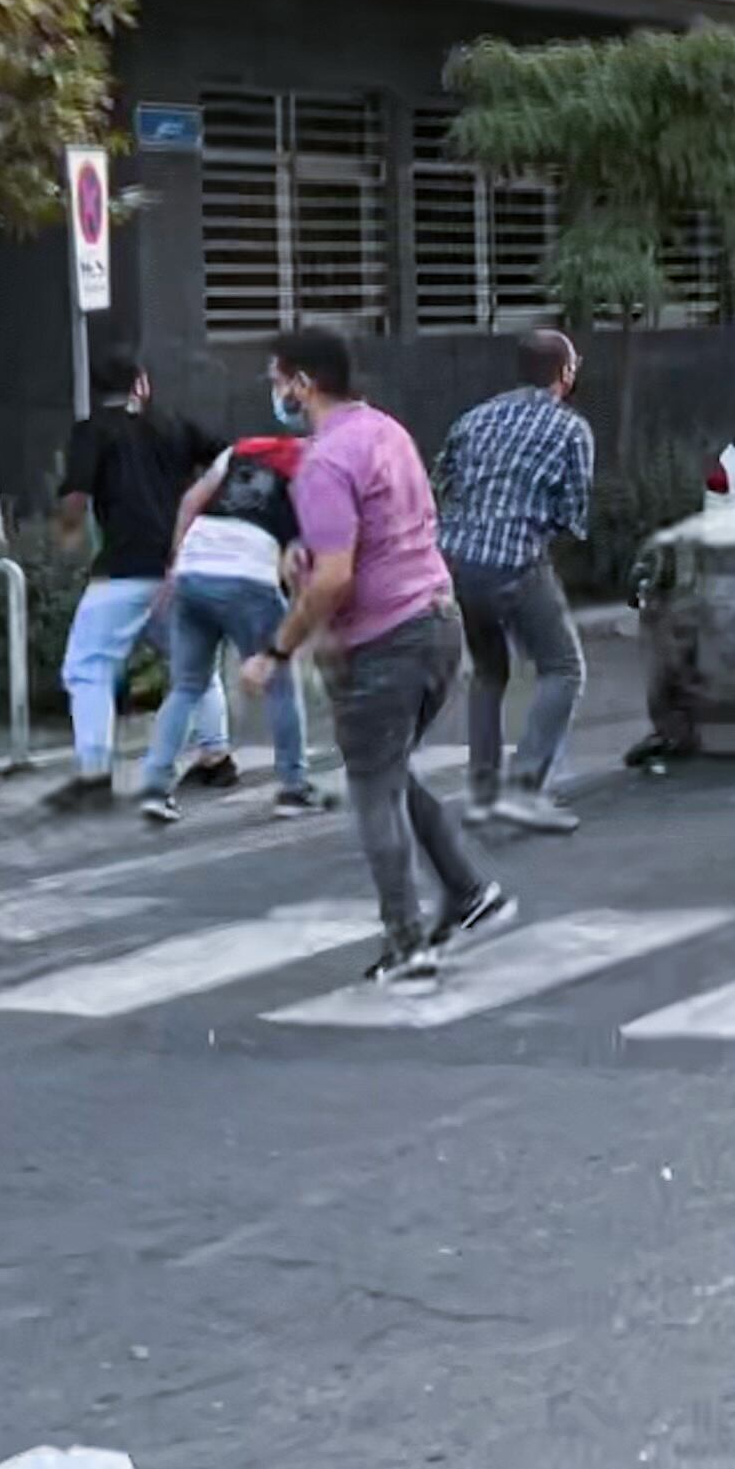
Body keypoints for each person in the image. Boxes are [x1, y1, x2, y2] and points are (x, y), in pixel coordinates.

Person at [238, 328, 507, 989]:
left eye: (278, 380)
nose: (275, 393)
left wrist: (277, 649)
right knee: (386, 771)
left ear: (303, 383)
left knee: (372, 794)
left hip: (387, 640)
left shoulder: (325, 460)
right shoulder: (386, 431)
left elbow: (334, 580)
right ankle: (468, 892)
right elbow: (383, 529)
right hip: (439, 623)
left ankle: (408, 942)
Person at [47, 347, 232, 814]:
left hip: (124, 570)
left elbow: (74, 498)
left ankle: (94, 772)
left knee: (86, 666)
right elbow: (228, 458)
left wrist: (66, 534)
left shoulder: (93, 431)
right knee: (194, 664)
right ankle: (216, 756)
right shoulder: (172, 424)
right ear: (141, 384)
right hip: (177, 569)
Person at [435, 328, 597, 835]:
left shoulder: (474, 418)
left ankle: (483, 794)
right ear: (565, 375)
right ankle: (525, 790)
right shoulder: (570, 430)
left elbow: (442, 482)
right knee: (564, 669)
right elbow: (572, 514)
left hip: (456, 563)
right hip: (515, 562)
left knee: (488, 673)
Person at [130, 428, 321, 827]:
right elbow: (309, 549)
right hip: (248, 575)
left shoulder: (241, 451)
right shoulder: (318, 466)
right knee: (280, 679)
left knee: (187, 685)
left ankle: (154, 788)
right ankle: (293, 787)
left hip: (194, 569)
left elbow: (191, 502)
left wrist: (175, 564)